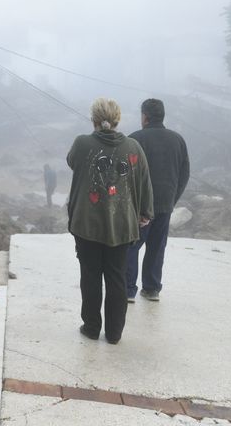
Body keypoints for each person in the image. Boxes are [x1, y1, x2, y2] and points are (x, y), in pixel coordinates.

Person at [66, 98, 153, 344]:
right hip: (122, 225)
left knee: (90, 275)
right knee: (116, 278)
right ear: (117, 120)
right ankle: (114, 334)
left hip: (87, 224)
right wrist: (146, 212)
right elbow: (145, 181)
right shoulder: (134, 147)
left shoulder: (82, 143)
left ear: (94, 119)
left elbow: (72, 162)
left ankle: (92, 327)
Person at [126, 98, 190, 302]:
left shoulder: (135, 139)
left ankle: (128, 289)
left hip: (139, 206)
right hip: (165, 204)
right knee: (157, 246)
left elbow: (124, 174)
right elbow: (184, 174)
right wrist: (172, 198)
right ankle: (152, 288)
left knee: (131, 245)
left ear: (144, 116)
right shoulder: (177, 140)